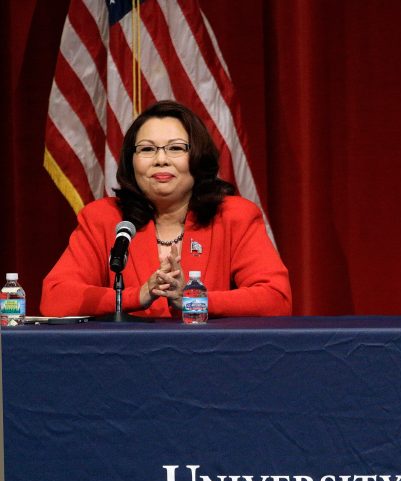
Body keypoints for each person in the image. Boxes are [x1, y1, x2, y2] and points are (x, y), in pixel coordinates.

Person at [41, 100, 291, 318]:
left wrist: (195, 300)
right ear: (131, 161)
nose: (161, 159)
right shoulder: (104, 218)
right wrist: (136, 296)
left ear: (198, 157)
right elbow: (55, 298)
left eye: (176, 148)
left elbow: (276, 299)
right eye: (147, 149)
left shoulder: (234, 216)